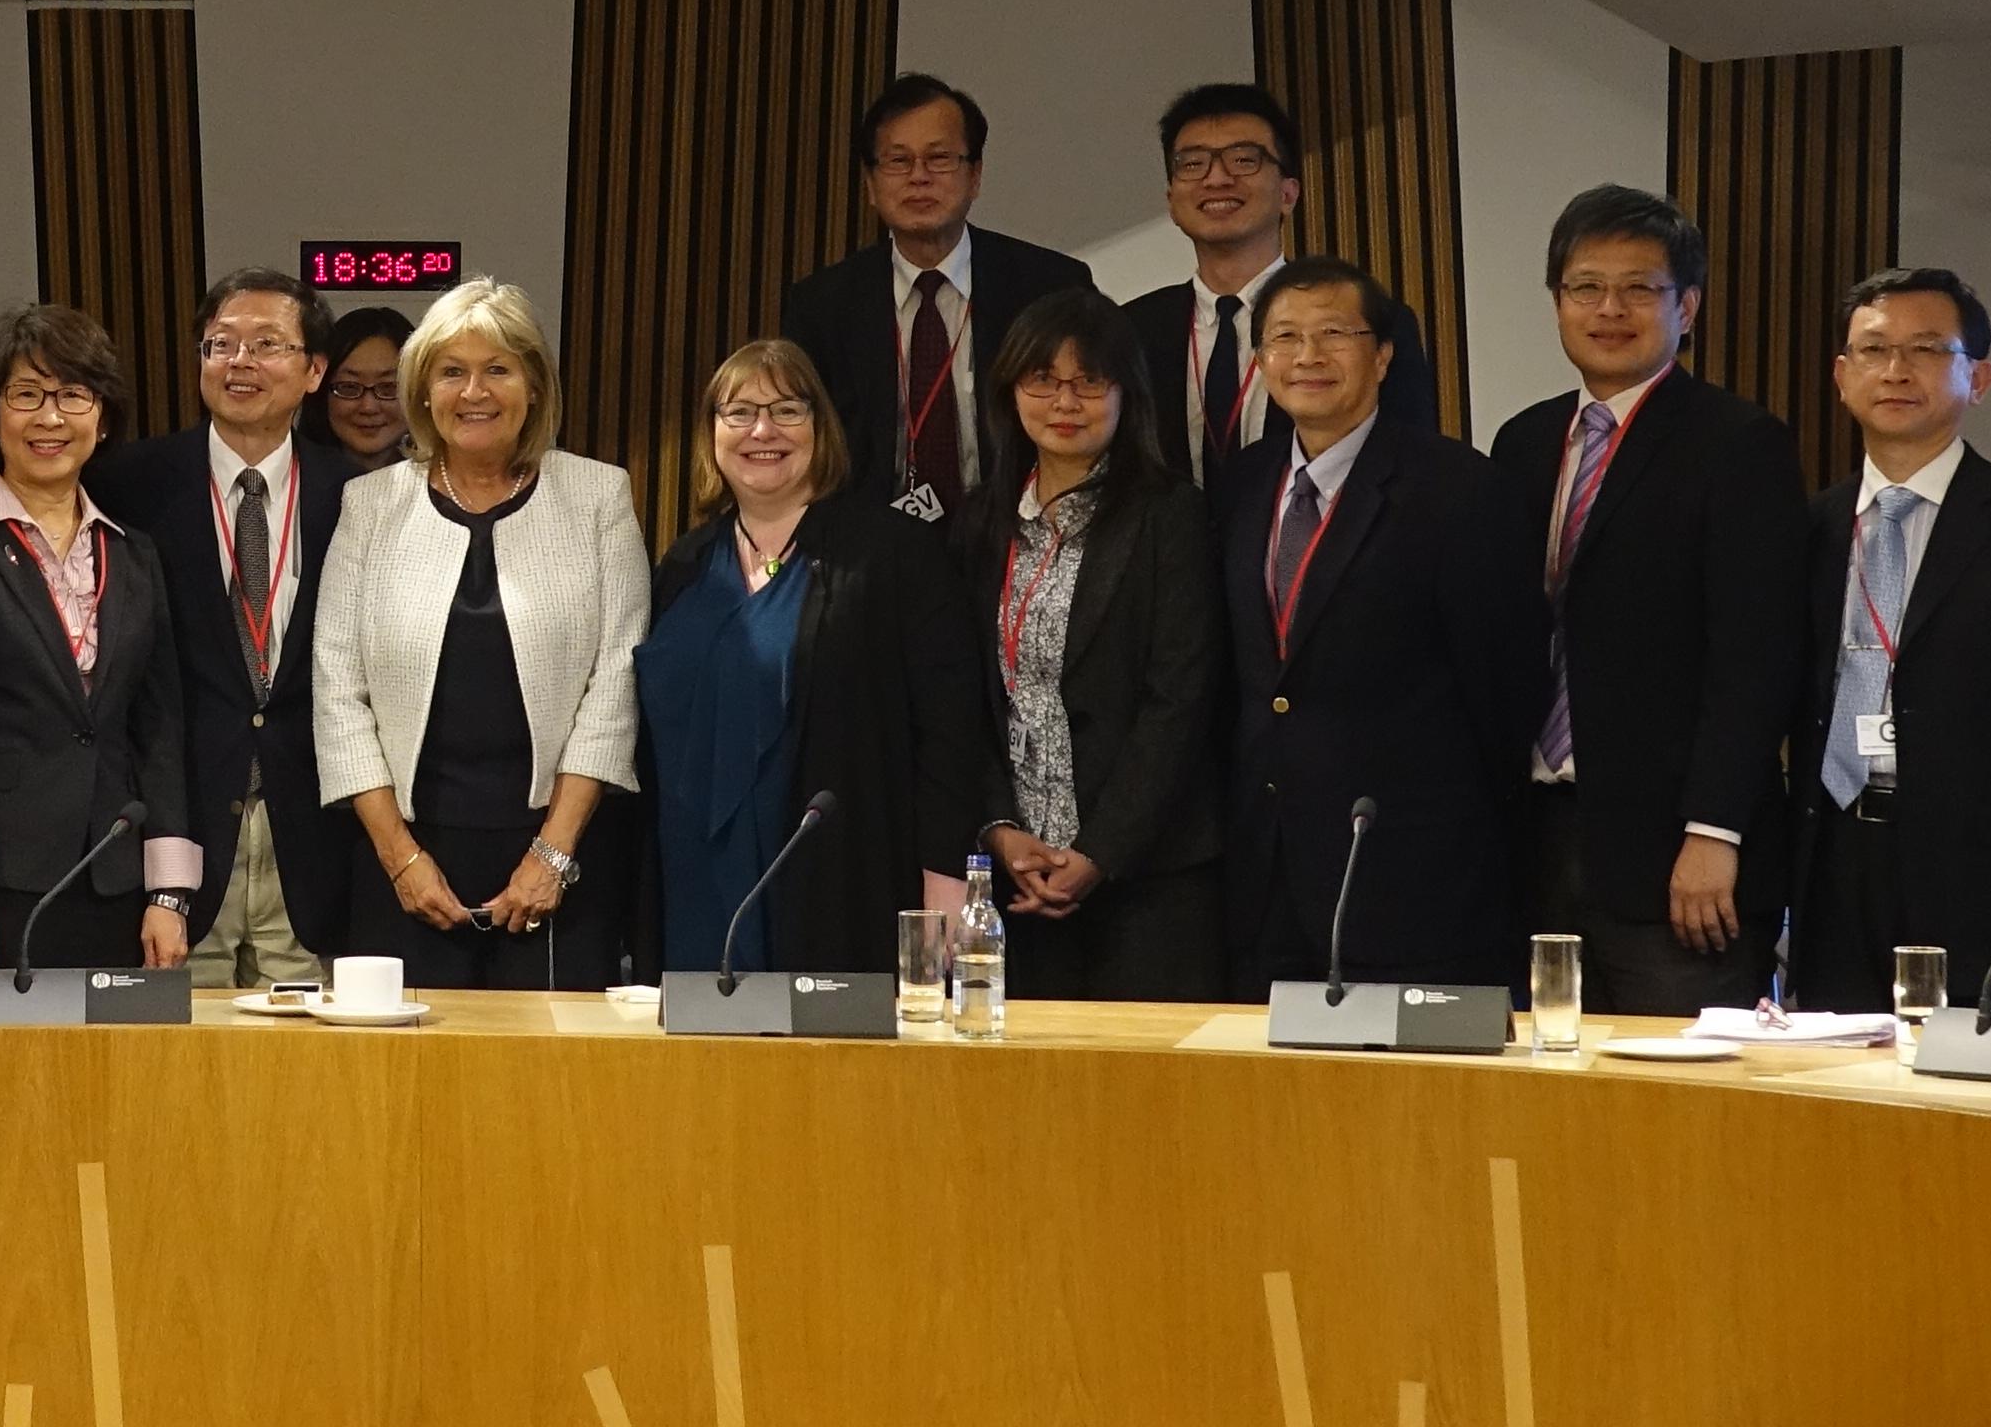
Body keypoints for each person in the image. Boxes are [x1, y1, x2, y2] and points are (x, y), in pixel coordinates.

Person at [1486, 187, 1803, 1016]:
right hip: (1536, 832)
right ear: (1557, 302)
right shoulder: (1521, 442)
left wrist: (1714, 831)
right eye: (1585, 287)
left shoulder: (1738, 442)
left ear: (1686, 306)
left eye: (1640, 288)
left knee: (1678, 1103)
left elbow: (1757, 656)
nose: (1609, 309)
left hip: (1675, 852)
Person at [1782, 269, 1991, 1016]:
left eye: (1928, 350)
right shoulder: (1805, 530)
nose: (1897, 370)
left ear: (1980, 377)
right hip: (1835, 862)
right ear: (1842, 377)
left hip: (1987, 881)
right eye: (1873, 350)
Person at [312, 279, 651, 989]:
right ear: (424, 391)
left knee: (550, 1088)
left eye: (498, 368)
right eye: (451, 370)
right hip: (401, 856)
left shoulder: (597, 497)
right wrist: (400, 859)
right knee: (402, 1091)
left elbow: (614, 683)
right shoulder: (370, 505)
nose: (475, 391)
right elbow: (338, 692)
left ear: (533, 385)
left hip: (561, 855)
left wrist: (551, 857)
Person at [1223, 260, 1544, 995]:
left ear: (1384, 354)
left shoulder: (1460, 489)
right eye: (1286, 337)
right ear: (1261, 357)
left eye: (1335, 333)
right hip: (1265, 874)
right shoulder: (1241, 483)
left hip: (1410, 871)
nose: (1308, 356)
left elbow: (1504, 686)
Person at [643, 336, 987, 978]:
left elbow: (951, 727)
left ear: (820, 426)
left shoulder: (893, 554)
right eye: (738, 412)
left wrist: (944, 883)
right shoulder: (683, 566)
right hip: (695, 877)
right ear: (713, 433)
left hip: (838, 874)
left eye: (787, 410)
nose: (762, 430)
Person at [0, 304, 194, 978]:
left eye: (73, 395)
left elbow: (160, 733)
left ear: (105, 415)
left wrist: (170, 892)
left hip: (115, 885)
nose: (50, 418)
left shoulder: (137, 555)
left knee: (110, 1083)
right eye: (26, 394)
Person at [954, 290, 1230, 997]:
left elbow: (1180, 698)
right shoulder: (979, 524)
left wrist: (1100, 853)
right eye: (1043, 379)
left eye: (1089, 380)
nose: (1065, 401)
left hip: (1146, 875)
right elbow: (963, 698)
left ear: (1125, 392)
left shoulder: (1170, 513)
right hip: (1012, 877)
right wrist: (998, 829)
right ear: (1011, 389)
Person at [94, 270, 350, 982]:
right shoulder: (128, 487)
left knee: (306, 1082)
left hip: (312, 844)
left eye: (267, 344)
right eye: (221, 344)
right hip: (175, 844)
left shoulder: (360, 493)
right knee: (169, 1075)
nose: (240, 362)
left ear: (314, 371)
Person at [778, 74, 1095, 524]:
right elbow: (805, 446)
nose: (919, 177)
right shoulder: (822, 306)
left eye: (940, 158)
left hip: (1017, 538)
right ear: (870, 184)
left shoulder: (1050, 286)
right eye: (898, 161)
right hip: (873, 550)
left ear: (975, 176)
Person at [1127, 81, 1439, 475]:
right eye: (1193, 164)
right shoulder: (1130, 330)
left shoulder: (1373, 322)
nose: (1217, 179)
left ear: (1288, 194)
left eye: (1244, 160)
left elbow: (1411, 465)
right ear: (1171, 200)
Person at [312, 309, 413, 479]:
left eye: (388, 387)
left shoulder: (449, 488)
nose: (368, 407)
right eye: (349, 387)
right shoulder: (296, 483)